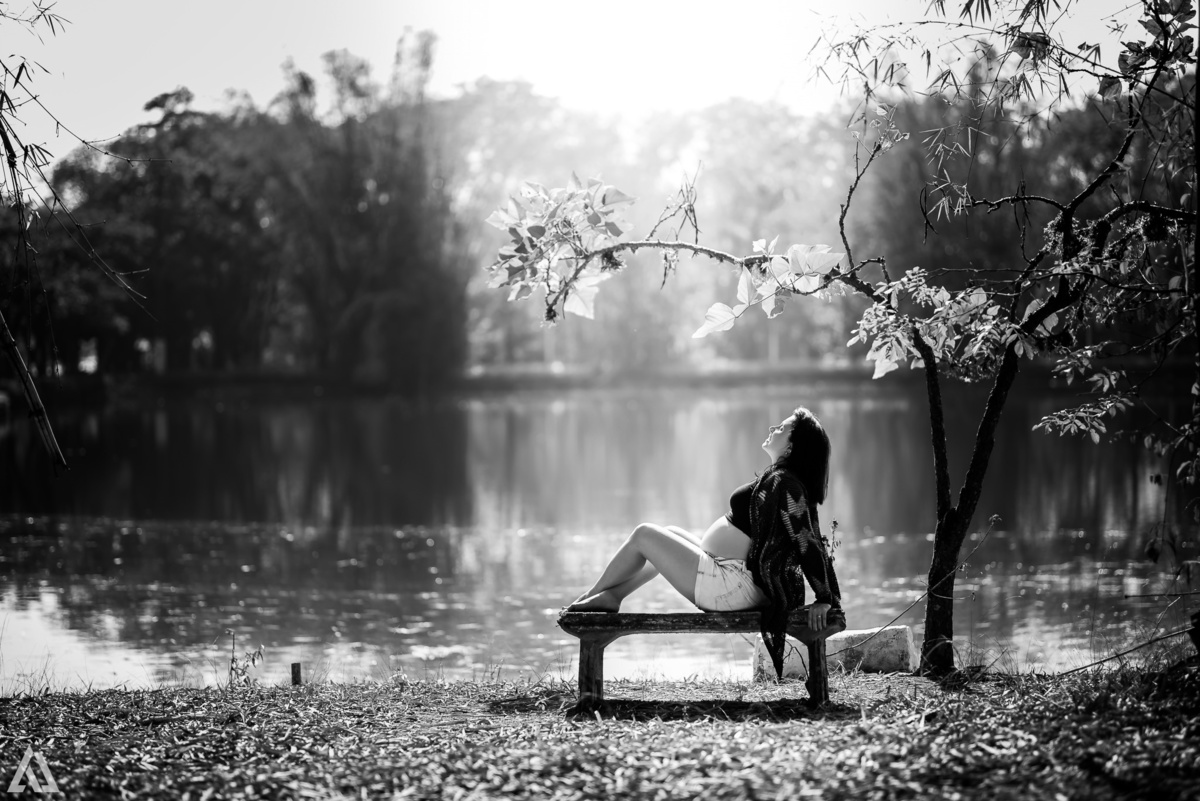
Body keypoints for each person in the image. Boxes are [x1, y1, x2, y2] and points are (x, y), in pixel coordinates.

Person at [563, 406, 843, 678]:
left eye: (781, 428)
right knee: (669, 532)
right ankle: (612, 596)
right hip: (729, 579)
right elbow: (809, 539)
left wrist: (825, 599)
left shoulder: (786, 484)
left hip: (728, 586)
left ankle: (592, 597)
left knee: (644, 535)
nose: (773, 428)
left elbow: (808, 542)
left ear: (792, 446)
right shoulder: (782, 481)